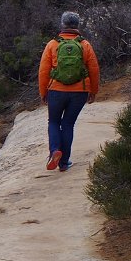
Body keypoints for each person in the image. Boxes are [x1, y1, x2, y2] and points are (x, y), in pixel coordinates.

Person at [38, 11, 100, 172]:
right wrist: (94, 91)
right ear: (77, 26)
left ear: (62, 25)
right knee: (68, 124)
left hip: (56, 91)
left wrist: (43, 91)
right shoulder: (85, 44)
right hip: (79, 91)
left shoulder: (53, 44)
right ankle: (64, 163)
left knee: (53, 122)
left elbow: (43, 71)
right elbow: (94, 69)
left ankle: (54, 152)